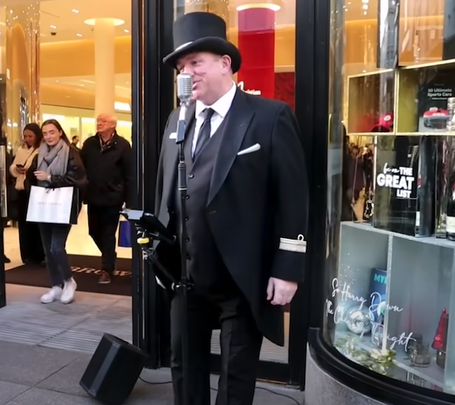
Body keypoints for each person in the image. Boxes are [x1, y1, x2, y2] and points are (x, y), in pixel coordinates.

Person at [155, 13, 308, 405]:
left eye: (195, 63)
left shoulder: (268, 117)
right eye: (181, 67)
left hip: (241, 276)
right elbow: (166, 189)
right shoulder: (178, 119)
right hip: (185, 275)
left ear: (225, 64)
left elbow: (293, 197)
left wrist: (287, 269)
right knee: (183, 366)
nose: (186, 73)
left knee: (237, 375)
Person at [26, 119, 87, 304]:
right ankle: (55, 286)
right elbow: (30, 177)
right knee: (47, 250)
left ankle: (69, 281)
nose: (48, 136)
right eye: (45, 133)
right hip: (43, 205)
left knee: (56, 247)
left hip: (63, 206)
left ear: (60, 132)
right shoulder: (39, 154)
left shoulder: (71, 153)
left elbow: (79, 179)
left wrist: (50, 177)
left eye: (52, 132)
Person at [80, 113, 133, 284]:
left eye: (103, 121)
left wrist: (130, 199)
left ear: (113, 125)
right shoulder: (90, 144)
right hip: (93, 195)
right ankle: (109, 256)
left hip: (113, 197)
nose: (99, 123)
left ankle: (107, 269)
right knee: (94, 231)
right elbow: (81, 167)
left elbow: (129, 174)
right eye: (98, 121)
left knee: (108, 233)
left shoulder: (123, 146)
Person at [9, 123, 45, 265]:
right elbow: (13, 165)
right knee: (23, 225)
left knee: (36, 225)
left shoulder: (42, 150)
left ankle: (39, 255)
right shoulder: (21, 150)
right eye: (25, 136)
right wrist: (16, 170)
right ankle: (27, 255)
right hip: (22, 191)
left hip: (35, 191)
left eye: (30, 136)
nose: (27, 139)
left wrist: (29, 171)